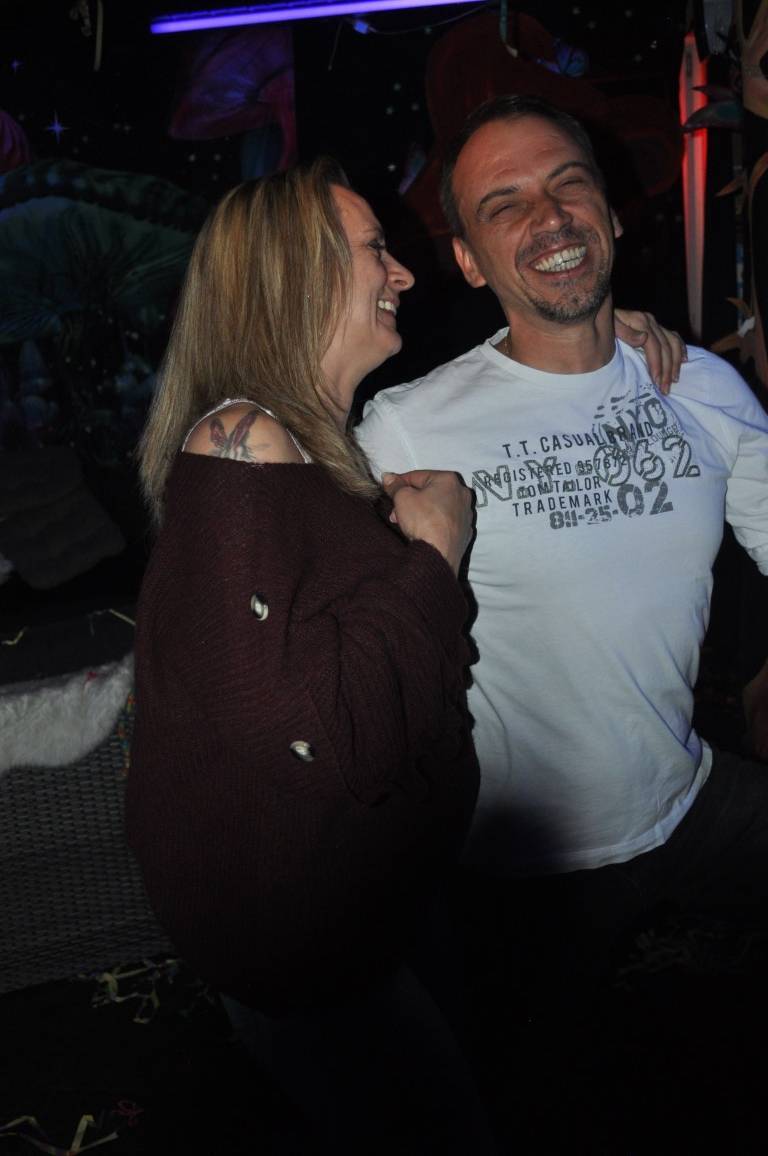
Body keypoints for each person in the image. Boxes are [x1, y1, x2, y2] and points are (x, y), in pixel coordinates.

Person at [357, 95, 768, 1002]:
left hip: (687, 797)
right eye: (504, 205)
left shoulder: (701, 386)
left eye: (568, 184)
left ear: (611, 214)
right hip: (511, 862)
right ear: (468, 260)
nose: (549, 217)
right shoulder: (407, 429)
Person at [126, 158, 498, 1154]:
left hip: (374, 906)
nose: (404, 273)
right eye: (377, 249)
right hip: (313, 947)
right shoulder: (241, 438)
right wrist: (434, 552)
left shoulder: (307, 452)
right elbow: (304, 735)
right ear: (295, 271)